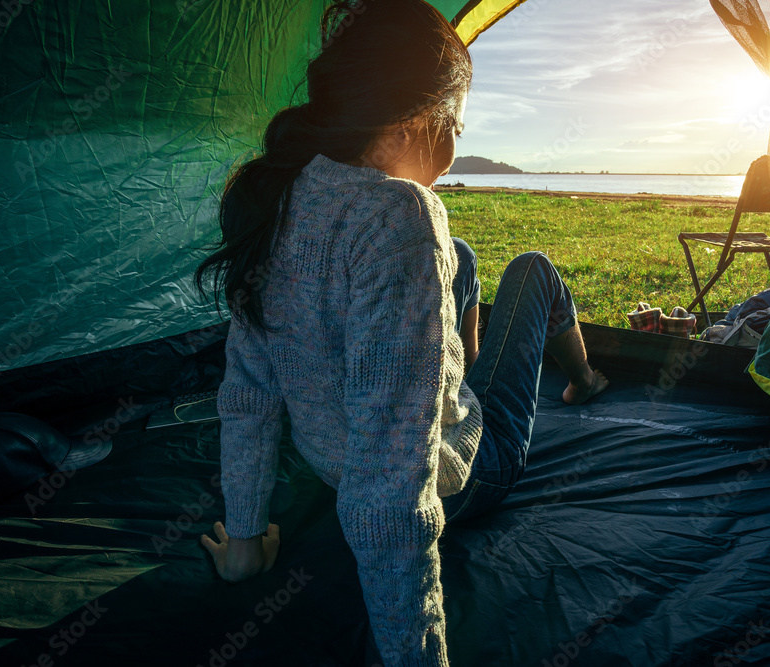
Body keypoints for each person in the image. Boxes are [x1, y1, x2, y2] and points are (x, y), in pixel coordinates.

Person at [193, 1, 608, 665]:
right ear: (422, 120)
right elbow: (393, 484)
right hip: (461, 473)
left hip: (330, 451)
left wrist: (245, 541)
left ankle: (455, 364)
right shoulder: (400, 216)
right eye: (456, 128)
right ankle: (586, 379)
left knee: (463, 255)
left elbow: (250, 392)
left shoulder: (279, 197)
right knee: (532, 271)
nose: (449, 156)